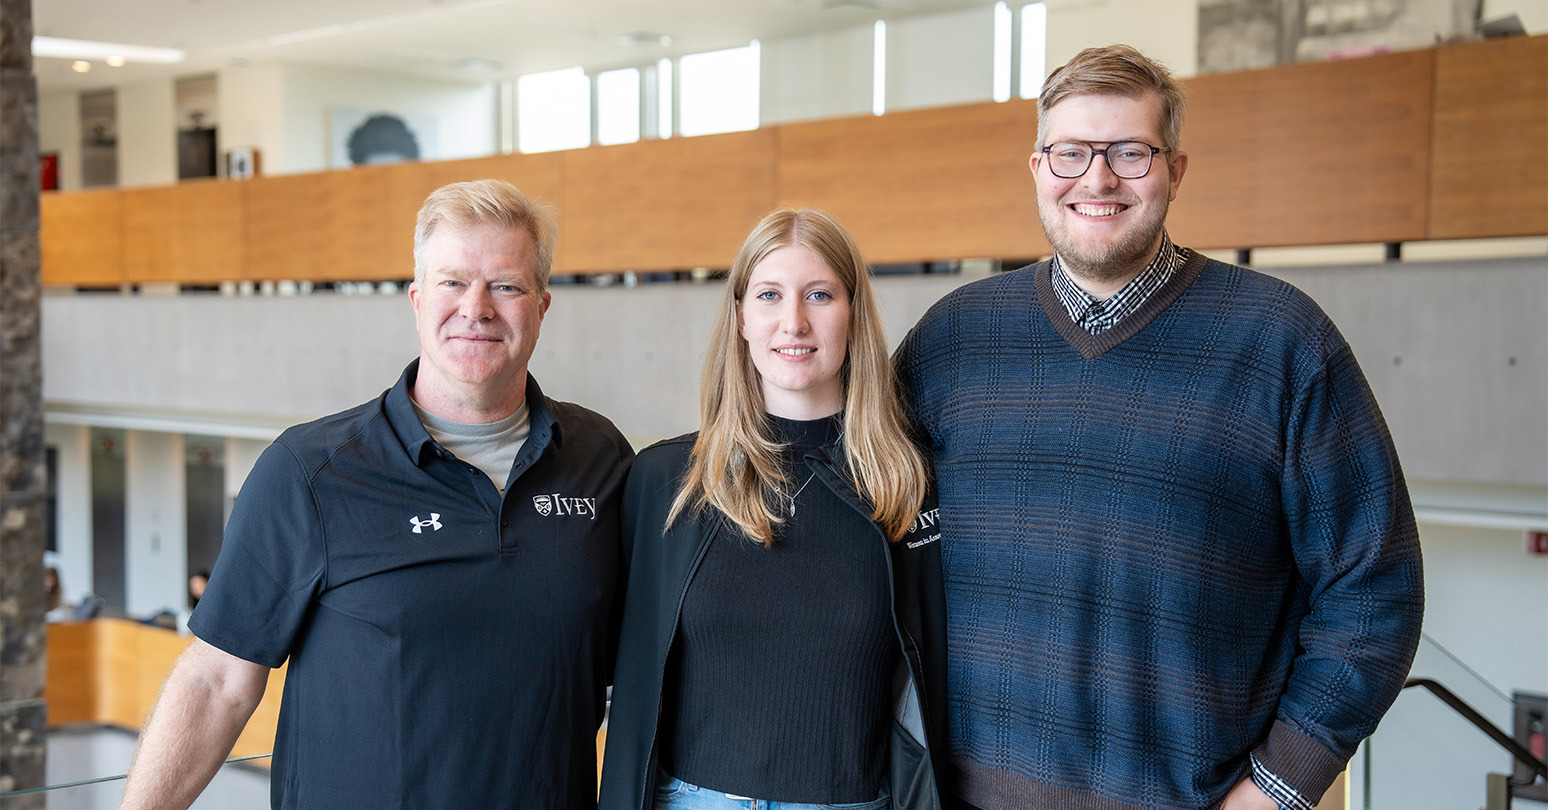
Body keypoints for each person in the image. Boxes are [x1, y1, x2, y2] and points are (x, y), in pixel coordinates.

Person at [893, 44, 1424, 810]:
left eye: (1130, 152)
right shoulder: (952, 340)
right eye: (1071, 152)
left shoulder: (1281, 341)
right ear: (1037, 169)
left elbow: (1373, 592)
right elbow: (864, 534)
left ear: (1175, 170)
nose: (1097, 179)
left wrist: (1277, 787)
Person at [119, 179, 634, 810]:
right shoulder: (311, 472)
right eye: (452, 282)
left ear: (542, 305)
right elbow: (216, 681)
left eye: (506, 285)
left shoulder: (600, 459)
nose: (476, 308)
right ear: (417, 300)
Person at [600, 208, 947, 810]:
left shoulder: (906, 486)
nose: (794, 322)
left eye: (819, 295)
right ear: (740, 316)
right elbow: (622, 676)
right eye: (769, 295)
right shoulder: (667, 481)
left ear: (853, 312)